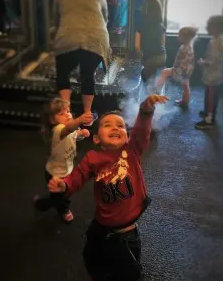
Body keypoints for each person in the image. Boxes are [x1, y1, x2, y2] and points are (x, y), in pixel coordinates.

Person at [48, 94, 169, 280]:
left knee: (128, 274)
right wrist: (64, 186)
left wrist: (146, 109)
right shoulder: (92, 159)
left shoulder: (131, 151)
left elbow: (142, 130)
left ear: (127, 136)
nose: (115, 128)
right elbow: (77, 177)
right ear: (96, 139)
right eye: (107, 125)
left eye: (120, 126)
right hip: (100, 225)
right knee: (91, 259)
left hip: (125, 234)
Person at [52, 0, 111, 126]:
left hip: (67, 38)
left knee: (63, 74)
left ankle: (66, 113)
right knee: (87, 75)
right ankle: (86, 115)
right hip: (95, 39)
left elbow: (55, 19)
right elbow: (105, 18)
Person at [34, 98, 92, 222]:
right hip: (55, 174)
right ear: (52, 120)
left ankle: (54, 203)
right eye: (62, 113)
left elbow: (74, 133)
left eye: (68, 111)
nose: (68, 114)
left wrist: (82, 132)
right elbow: (69, 129)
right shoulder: (58, 130)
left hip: (67, 169)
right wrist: (80, 120)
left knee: (63, 193)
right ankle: (52, 207)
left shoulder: (68, 129)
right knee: (60, 197)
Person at [195, 15, 223, 130]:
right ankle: (208, 113)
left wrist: (202, 62)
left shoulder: (217, 42)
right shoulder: (218, 39)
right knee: (211, 97)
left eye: (210, 25)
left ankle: (209, 120)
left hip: (213, 76)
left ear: (217, 27)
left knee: (210, 98)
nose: (208, 28)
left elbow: (213, 60)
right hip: (213, 75)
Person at [157, 26, 198, 106]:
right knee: (186, 86)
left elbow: (184, 62)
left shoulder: (184, 48)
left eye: (179, 35)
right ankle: (185, 101)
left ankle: (156, 93)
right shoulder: (190, 45)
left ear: (185, 38)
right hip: (187, 71)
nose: (177, 36)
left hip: (181, 71)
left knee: (164, 72)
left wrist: (180, 73)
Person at [135, 0, 167, 93]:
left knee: (146, 78)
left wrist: (142, 59)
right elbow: (163, 43)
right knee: (153, 78)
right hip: (162, 56)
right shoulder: (161, 26)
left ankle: (152, 100)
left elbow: (137, 46)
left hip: (150, 58)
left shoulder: (141, 26)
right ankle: (157, 95)